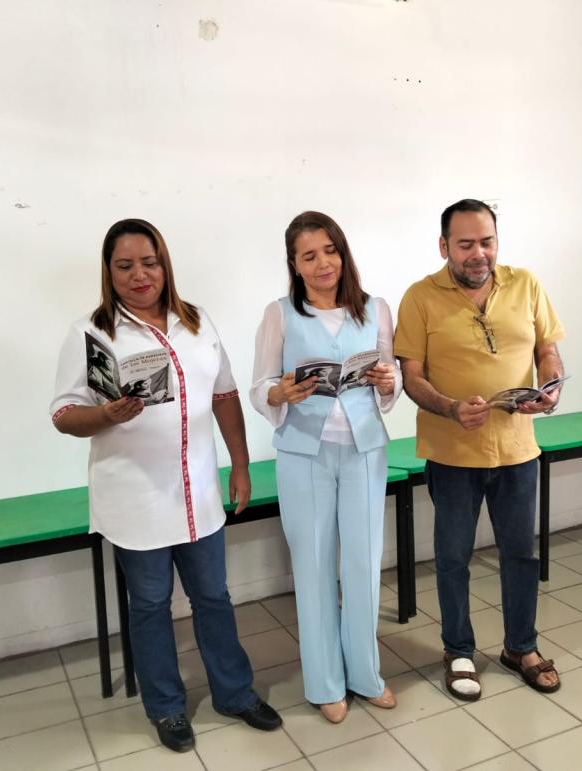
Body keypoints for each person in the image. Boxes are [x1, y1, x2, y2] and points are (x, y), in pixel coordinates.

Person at [50, 218, 282, 753]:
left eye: (149, 262)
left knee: (213, 597)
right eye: (125, 265)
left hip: (199, 492)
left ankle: (235, 694)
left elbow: (224, 394)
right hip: (135, 499)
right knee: (151, 604)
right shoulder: (92, 332)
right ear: (109, 272)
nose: (140, 275)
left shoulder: (196, 321)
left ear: (165, 264)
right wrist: (105, 414)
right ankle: (166, 707)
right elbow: (63, 414)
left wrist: (240, 465)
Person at [393, 199, 565, 699]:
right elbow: (411, 376)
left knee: (521, 555)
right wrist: (449, 408)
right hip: (452, 454)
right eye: (465, 244)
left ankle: (521, 647)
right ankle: (458, 650)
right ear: (443, 246)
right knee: (452, 558)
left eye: (487, 242)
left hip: (517, 450)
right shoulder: (419, 297)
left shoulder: (526, 284)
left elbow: (548, 350)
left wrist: (551, 386)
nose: (478, 253)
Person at [251, 211, 401, 723]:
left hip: (364, 449)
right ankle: (324, 683)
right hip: (303, 454)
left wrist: (389, 381)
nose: (323, 264)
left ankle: (366, 674)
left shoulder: (375, 309)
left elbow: (391, 374)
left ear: (343, 253)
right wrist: (279, 392)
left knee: (363, 563)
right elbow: (260, 385)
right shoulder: (280, 315)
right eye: (309, 256)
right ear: (294, 264)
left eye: (330, 251)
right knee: (313, 566)